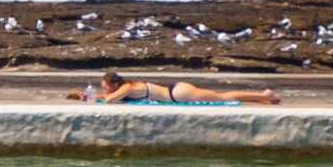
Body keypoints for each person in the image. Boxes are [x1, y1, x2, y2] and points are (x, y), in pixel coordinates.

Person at [71, 75, 280, 106]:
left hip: (178, 94)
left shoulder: (126, 87)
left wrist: (91, 97)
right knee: (222, 97)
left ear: (114, 84)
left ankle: (264, 95)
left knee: (223, 97)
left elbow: (110, 100)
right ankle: (263, 99)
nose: (103, 89)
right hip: (175, 91)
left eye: (104, 86)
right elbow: (109, 97)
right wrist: (89, 96)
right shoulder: (125, 87)